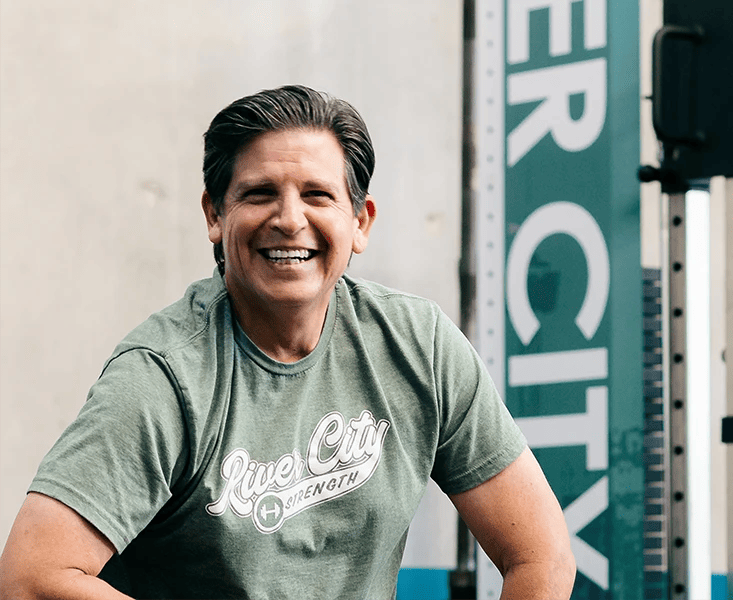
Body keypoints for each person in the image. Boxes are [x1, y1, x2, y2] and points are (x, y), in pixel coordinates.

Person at [0, 85, 575, 599]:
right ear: (215, 216)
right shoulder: (165, 377)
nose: (288, 219)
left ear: (361, 222)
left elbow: (541, 558)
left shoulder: (418, 347)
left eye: (318, 195)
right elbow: (31, 577)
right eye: (259, 193)